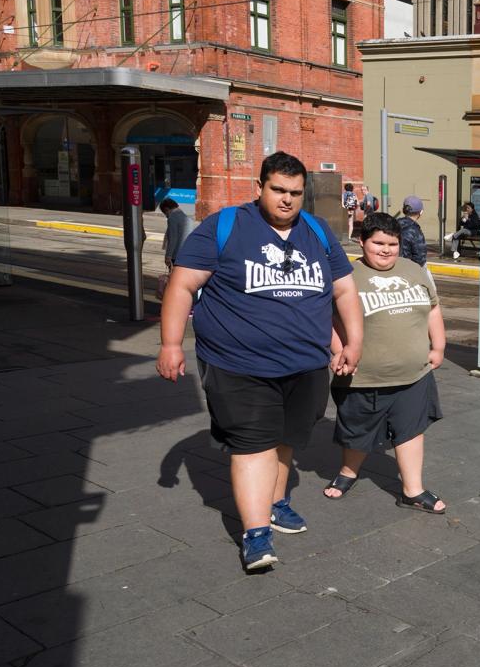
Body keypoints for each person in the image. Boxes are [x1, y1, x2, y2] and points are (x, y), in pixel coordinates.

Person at [156, 151, 364, 572]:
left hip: (306, 364)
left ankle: (276, 501)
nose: (287, 200)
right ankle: (255, 534)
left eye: (295, 193)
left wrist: (352, 342)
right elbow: (182, 286)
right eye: (278, 190)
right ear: (260, 187)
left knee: (286, 438)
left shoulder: (318, 231)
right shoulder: (227, 226)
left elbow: (343, 292)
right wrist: (171, 343)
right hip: (238, 364)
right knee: (253, 445)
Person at [323, 213, 447, 514]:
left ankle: (412, 489)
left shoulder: (414, 270)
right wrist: (338, 351)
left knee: (411, 430)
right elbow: (328, 318)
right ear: (362, 241)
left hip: (414, 374)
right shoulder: (347, 276)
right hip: (363, 376)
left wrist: (439, 346)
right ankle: (348, 473)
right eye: (378, 242)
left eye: (392, 243)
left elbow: (432, 309)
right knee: (357, 431)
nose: (385, 249)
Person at [159, 198, 193, 270]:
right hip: (187, 255)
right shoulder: (186, 217)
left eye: (164, 213)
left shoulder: (172, 217)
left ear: (167, 209)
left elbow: (173, 238)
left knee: (173, 278)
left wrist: (168, 256)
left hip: (176, 256)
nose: (166, 215)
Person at [397, 195, 427, 266]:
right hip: (407, 270)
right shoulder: (415, 231)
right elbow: (420, 259)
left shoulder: (393, 225)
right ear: (421, 212)